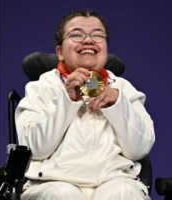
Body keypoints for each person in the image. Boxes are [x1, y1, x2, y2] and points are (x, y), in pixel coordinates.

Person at [15, 9, 154, 200]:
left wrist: (117, 105)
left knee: (125, 193)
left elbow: (139, 149)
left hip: (114, 180)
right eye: (76, 34)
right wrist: (66, 99)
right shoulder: (41, 88)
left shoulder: (123, 90)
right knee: (62, 195)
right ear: (60, 52)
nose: (88, 40)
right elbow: (35, 149)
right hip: (53, 182)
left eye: (98, 35)